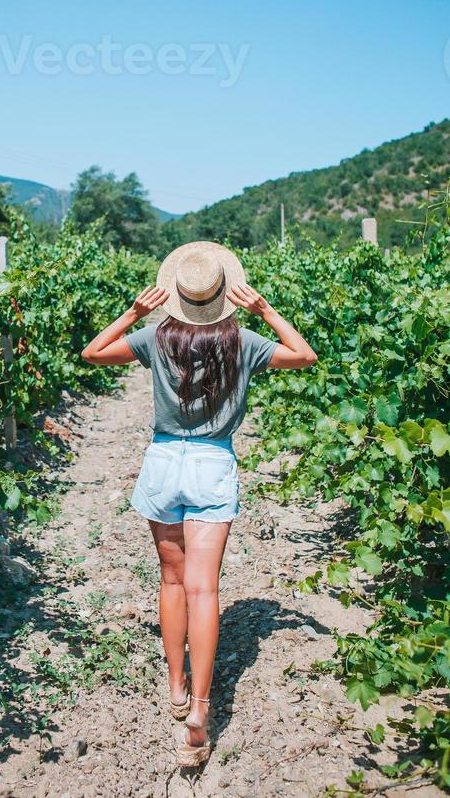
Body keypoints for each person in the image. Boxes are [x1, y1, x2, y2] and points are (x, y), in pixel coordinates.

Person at [81, 241, 317, 767]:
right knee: (203, 588)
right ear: (223, 293)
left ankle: (175, 685)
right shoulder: (244, 340)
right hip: (213, 465)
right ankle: (200, 715)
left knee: (170, 580)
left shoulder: (156, 335)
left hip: (163, 463)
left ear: (177, 296)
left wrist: (132, 312)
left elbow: (92, 353)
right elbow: (304, 356)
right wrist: (267, 310)